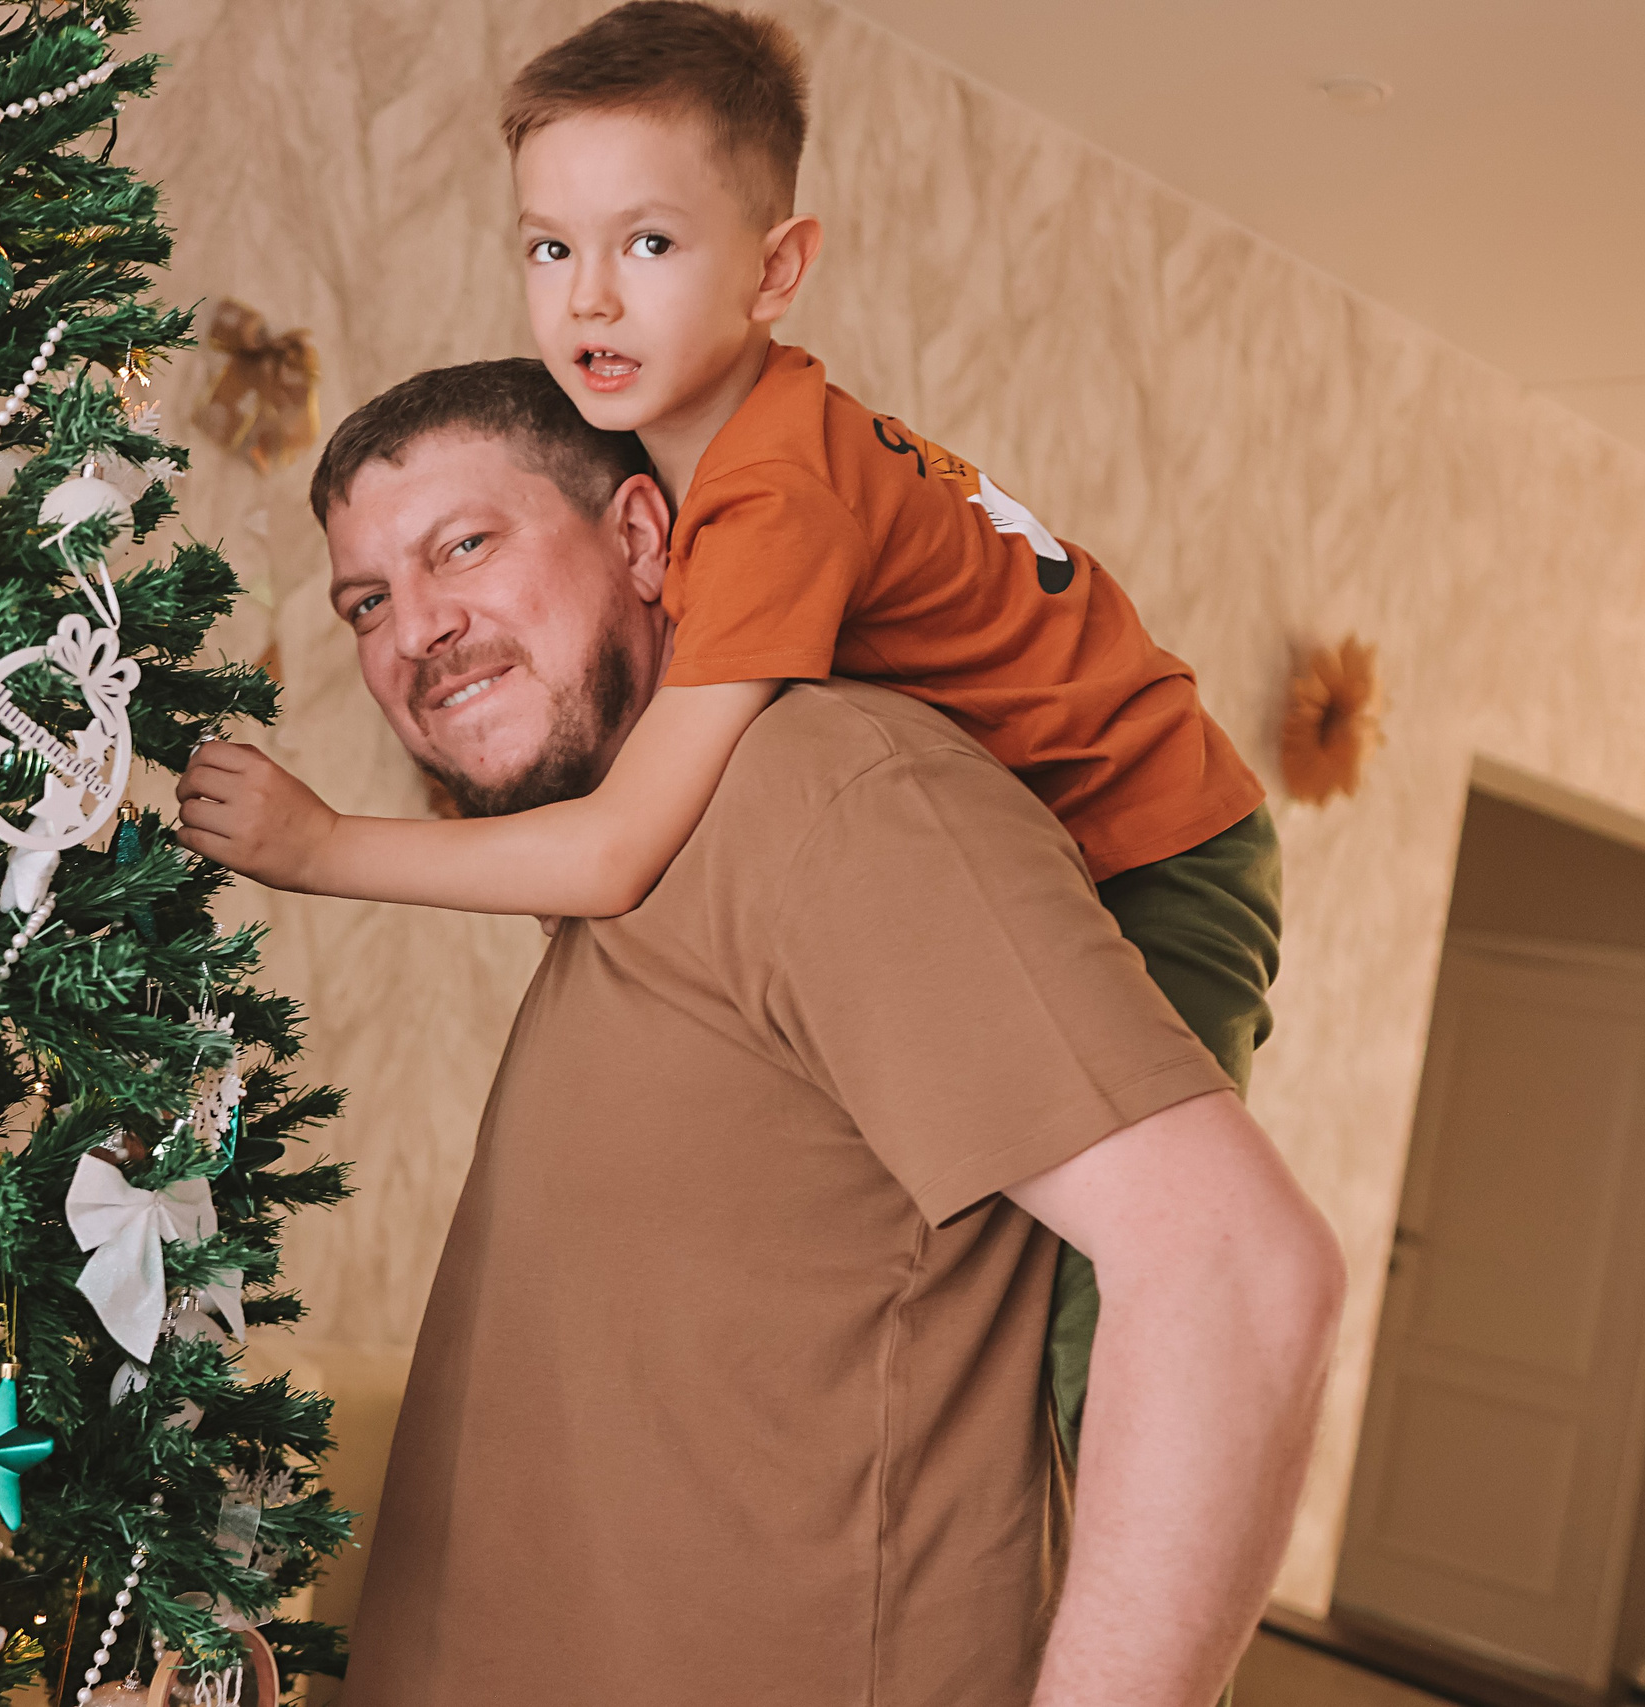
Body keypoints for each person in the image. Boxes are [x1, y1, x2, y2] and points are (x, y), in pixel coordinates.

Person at [177, 0, 1282, 1458]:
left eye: (647, 244)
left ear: (778, 271)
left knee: (1106, 1319)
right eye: (548, 248)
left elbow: (623, 849)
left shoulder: (765, 499)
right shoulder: (716, 474)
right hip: (1081, 811)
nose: (587, 301)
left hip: (1165, 837)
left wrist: (321, 847)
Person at [197, 364, 1343, 1706]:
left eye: (465, 546)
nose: (417, 632)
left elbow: (1237, 1274)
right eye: (366, 602)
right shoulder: (622, 867)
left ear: (641, 538)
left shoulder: (830, 792)